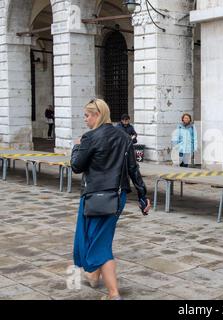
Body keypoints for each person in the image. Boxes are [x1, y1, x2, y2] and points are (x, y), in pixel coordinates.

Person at [71, 98, 151, 300]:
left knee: (99, 244)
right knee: (99, 238)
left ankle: (113, 294)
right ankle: (94, 275)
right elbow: (134, 169)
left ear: (97, 115)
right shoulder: (124, 137)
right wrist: (143, 196)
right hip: (117, 197)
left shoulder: (89, 138)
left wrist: (76, 147)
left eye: (87, 115)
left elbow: (76, 166)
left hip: (95, 198)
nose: (86, 120)